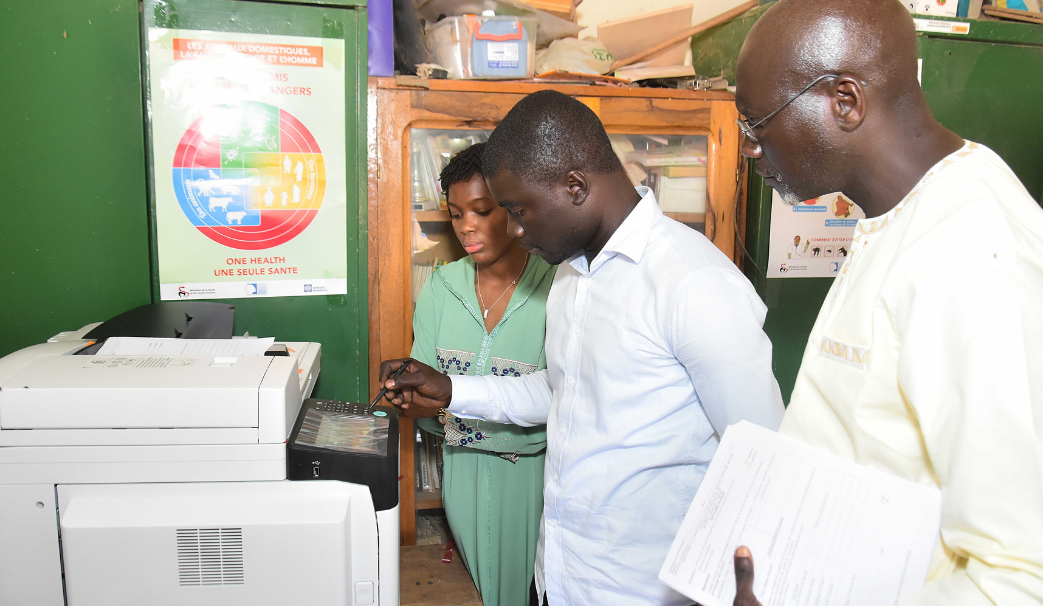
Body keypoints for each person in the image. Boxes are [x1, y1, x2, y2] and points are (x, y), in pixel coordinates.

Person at [381, 90, 785, 606]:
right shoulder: (572, 275)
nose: (517, 231)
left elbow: (765, 460)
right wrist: (450, 388)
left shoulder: (693, 284)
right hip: (560, 577)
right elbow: (560, 391)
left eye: (519, 210)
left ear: (575, 186)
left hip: (645, 590)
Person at [730, 0, 1043, 604]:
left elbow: (1019, 576)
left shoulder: (974, 258)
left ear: (845, 102)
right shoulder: (898, 217)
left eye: (756, 123)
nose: (749, 149)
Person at [411, 143, 556, 606]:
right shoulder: (440, 288)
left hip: (533, 484)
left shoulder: (557, 287)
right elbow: (428, 409)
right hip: (461, 479)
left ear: (513, 210)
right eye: (456, 214)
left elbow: (565, 402)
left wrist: (447, 400)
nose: (466, 226)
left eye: (481, 209)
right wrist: (410, 399)